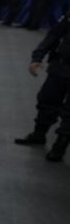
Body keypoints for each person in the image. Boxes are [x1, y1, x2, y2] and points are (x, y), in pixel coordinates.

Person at [14, 12, 70, 161]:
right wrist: (37, 57)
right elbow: (54, 35)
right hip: (61, 65)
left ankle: (60, 146)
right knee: (47, 100)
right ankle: (39, 134)